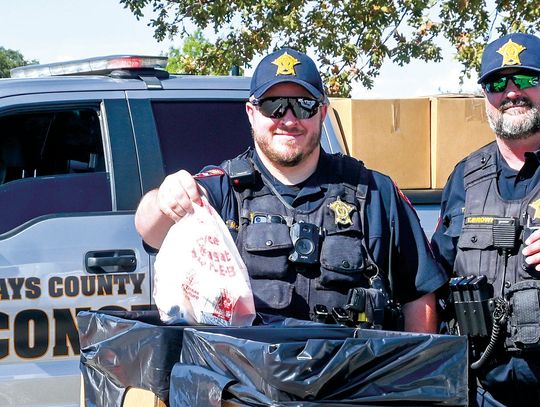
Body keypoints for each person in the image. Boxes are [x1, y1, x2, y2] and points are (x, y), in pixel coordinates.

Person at [135, 47, 446, 333]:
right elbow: (150, 230)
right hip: (248, 389)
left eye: (304, 105)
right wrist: (164, 197)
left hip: (352, 387)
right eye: (273, 105)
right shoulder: (220, 190)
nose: (288, 118)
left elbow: (418, 297)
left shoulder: (375, 193)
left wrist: (415, 384)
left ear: (322, 113)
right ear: (251, 112)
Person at [431, 32, 540, 406]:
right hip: (479, 390)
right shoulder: (463, 177)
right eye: (496, 83)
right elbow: (433, 281)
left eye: (526, 79)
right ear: (485, 98)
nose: (511, 92)